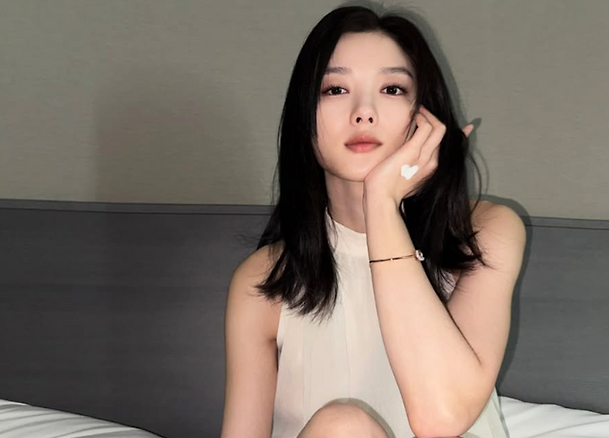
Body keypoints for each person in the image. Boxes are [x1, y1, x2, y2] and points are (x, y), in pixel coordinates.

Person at [221, 3, 526, 438]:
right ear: (305, 117)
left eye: (392, 89)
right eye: (335, 89)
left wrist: (382, 203)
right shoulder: (264, 281)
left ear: (424, 114)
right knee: (341, 428)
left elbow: (442, 417)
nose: (364, 112)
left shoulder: (485, 233)